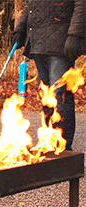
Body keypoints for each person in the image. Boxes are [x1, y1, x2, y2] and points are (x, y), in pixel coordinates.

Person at [12, 0, 85, 150]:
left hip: (61, 44)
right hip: (38, 43)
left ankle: (63, 149)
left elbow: (81, 4)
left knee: (60, 97)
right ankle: (50, 143)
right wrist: (20, 29)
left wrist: (75, 35)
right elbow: (30, 5)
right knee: (46, 98)